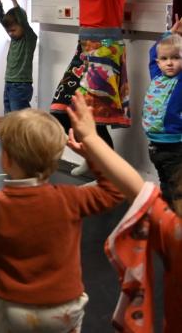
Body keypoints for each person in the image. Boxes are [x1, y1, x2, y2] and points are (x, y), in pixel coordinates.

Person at [0, 106, 123, 332]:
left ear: (6, 159)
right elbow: (114, 190)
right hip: (64, 307)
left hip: (15, 308)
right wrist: (91, 156)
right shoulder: (71, 199)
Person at [28, 0, 131, 175]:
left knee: (95, 118)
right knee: (61, 109)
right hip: (84, 47)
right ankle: (93, 159)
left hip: (107, 49)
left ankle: (106, 173)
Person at [65, 94, 181, 332]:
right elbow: (137, 187)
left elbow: (136, 188)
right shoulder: (176, 236)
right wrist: (91, 141)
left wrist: (92, 139)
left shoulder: (176, 237)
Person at [141, 16, 182, 209]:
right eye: (164, 59)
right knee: (165, 183)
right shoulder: (157, 76)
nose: (169, 63)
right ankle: (168, 214)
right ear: (158, 62)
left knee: (177, 188)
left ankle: (175, 218)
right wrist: (169, 34)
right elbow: (153, 52)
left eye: (176, 58)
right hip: (155, 146)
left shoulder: (180, 80)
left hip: (174, 145)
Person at [0, 0, 37, 113]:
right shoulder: (14, 38)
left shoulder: (29, 38)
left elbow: (22, 19)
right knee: (9, 116)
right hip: (9, 83)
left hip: (21, 85)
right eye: (8, 30)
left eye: (13, 30)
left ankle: (31, 126)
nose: (10, 33)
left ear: (22, 25)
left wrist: (13, 0)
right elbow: (2, 20)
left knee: (19, 117)